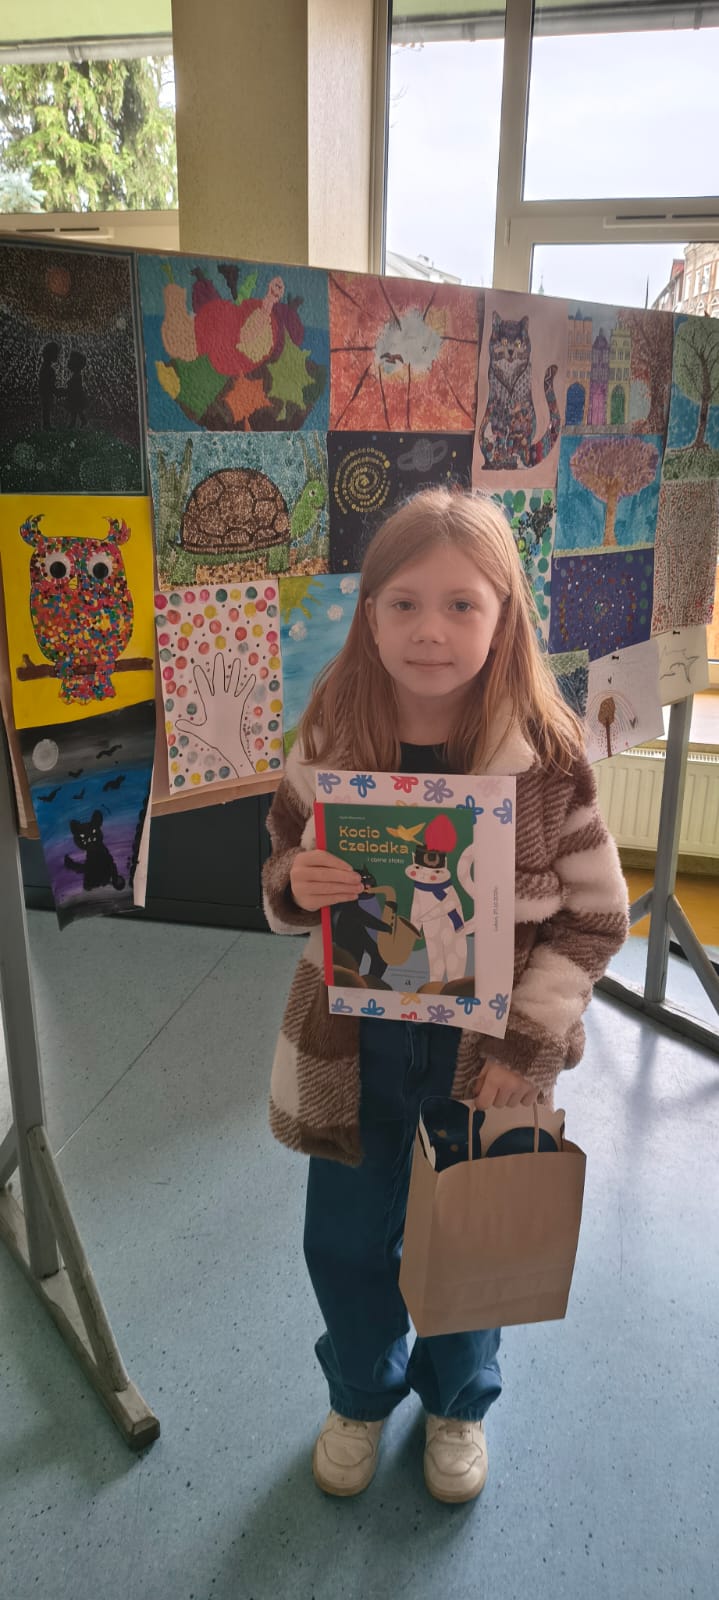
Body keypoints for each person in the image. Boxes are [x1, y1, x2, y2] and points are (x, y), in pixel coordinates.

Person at [261, 487, 629, 1505]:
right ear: (369, 614)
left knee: (472, 1235)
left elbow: (595, 920)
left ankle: (457, 1402)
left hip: (489, 1060)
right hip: (355, 1051)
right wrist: (296, 882)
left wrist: (528, 1048)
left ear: (503, 618)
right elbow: (282, 859)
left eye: (461, 604)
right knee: (342, 1240)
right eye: (405, 604)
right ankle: (359, 1394)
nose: (430, 630)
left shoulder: (546, 761)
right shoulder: (328, 735)